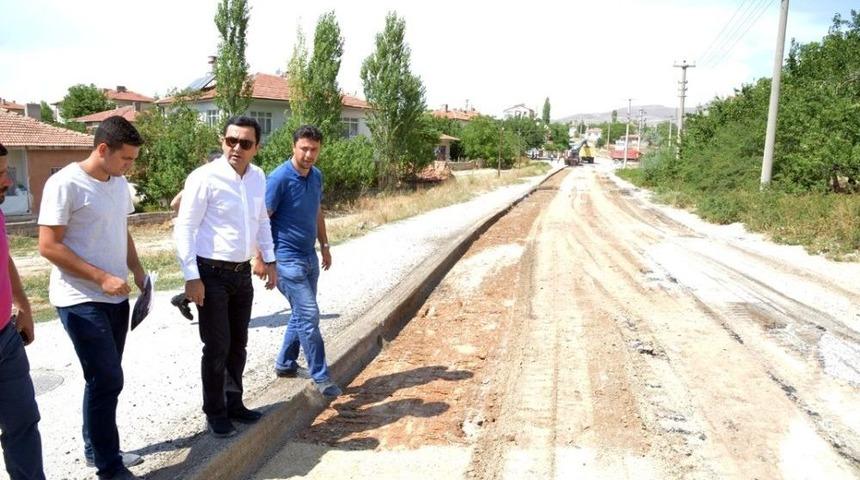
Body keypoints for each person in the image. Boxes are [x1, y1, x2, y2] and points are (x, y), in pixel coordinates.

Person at [37, 116, 145, 479]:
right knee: (108, 379)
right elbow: (48, 246)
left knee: (102, 379)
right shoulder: (65, 184)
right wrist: (101, 277)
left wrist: (137, 270)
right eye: (126, 158)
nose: (130, 166)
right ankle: (109, 466)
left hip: (116, 299)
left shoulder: (118, 183)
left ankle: (94, 448)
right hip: (79, 299)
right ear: (102, 149)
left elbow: (121, 231)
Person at [174, 116, 277, 438]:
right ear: (223, 141)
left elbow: (262, 221)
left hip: (241, 273)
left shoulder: (258, 177)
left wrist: (270, 259)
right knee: (217, 346)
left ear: (256, 147)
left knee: (238, 344)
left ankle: (234, 403)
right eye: (231, 141)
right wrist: (192, 277)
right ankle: (215, 412)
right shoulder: (204, 177)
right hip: (211, 274)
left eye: (245, 143)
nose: (236, 148)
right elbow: (184, 228)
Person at [257, 125, 341, 399]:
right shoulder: (279, 178)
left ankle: (285, 364)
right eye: (304, 148)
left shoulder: (316, 176)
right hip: (286, 259)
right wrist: (261, 258)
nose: (308, 154)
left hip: (309, 256)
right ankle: (321, 377)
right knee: (309, 314)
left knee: (301, 313)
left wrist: (324, 245)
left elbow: (317, 211)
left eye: (314, 149)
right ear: (293, 147)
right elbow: (261, 219)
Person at [0, 142, 45, 480]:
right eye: (0, 174)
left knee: (23, 423)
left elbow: (5, 258)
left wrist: (23, 305)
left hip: (6, 339)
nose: (7, 181)